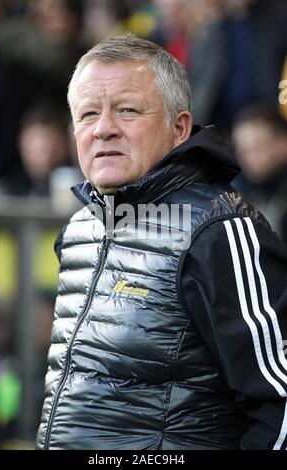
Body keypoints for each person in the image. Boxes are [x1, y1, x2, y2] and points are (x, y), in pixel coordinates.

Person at [36, 33, 287, 450]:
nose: (103, 130)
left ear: (179, 128)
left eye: (128, 111)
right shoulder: (80, 228)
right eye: (87, 114)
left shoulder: (220, 231)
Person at [232, 105, 287, 245]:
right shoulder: (234, 194)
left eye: (257, 148)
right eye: (243, 151)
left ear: (283, 145)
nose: (248, 158)